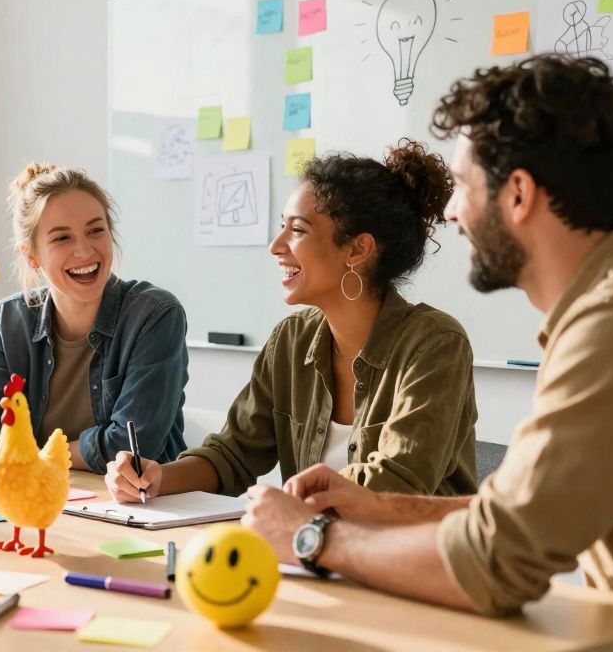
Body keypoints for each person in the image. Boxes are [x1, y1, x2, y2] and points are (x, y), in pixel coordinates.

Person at [244, 55, 613, 615]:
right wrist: (377, 508)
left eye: (462, 185)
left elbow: (495, 562)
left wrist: (313, 539)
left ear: (518, 194)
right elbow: (519, 517)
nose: (452, 213)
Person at [106, 141, 478, 504]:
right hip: (316, 554)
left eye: (297, 230)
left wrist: (285, 506)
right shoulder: (292, 338)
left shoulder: (435, 343)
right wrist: (157, 477)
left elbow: (399, 484)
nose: (276, 245)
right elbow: (234, 454)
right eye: (282, 226)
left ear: (357, 249)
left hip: (410, 559)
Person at [0, 163, 188, 472]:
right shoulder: (11, 319)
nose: (84, 251)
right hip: (48, 498)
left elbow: (131, 447)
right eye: (61, 238)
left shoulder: (155, 315)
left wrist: (36, 457)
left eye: (96, 230)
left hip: (141, 505)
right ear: (31, 255)